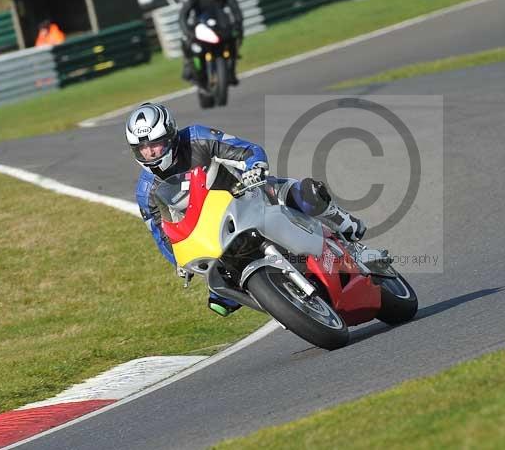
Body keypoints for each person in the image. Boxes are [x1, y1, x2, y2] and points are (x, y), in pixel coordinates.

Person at [126, 102, 366, 317]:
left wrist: (254, 168)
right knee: (220, 298)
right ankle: (282, 303)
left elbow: (247, 150)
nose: (150, 153)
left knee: (307, 193)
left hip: (249, 195)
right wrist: (178, 261)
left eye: (155, 145)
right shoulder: (145, 191)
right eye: (142, 148)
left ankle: (342, 222)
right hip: (215, 234)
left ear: (171, 136)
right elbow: (161, 234)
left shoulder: (197, 137)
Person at [179, 0, 244, 86]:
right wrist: (187, 31)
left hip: (221, 27)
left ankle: (231, 70)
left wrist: (238, 25)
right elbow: (183, 14)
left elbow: (236, 11)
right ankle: (188, 66)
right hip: (201, 27)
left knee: (235, 39)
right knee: (186, 42)